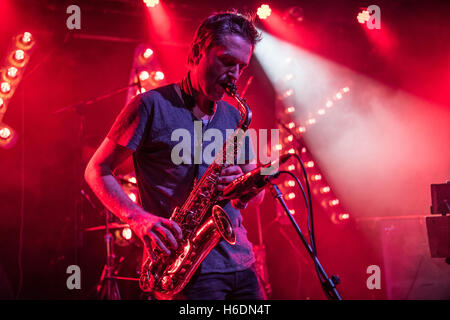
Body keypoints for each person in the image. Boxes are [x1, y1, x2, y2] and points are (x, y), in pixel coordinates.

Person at [84, 11, 265, 300]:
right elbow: (97, 169)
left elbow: (257, 199)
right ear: (197, 53)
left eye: (241, 67)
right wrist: (138, 219)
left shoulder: (236, 116)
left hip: (241, 265)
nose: (234, 74)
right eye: (226, 61)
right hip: (182, 268)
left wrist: (243, 185)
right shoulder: (149, 106)